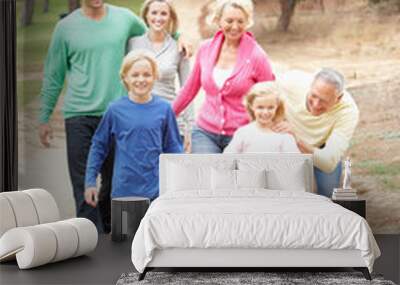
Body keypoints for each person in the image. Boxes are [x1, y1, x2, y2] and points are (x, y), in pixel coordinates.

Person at [38, 0, 191, 232]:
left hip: (115, 114)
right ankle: (90, 240)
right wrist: (44, 116)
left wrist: (178, 36)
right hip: (78, 114)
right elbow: (54, 73)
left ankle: (111, 235)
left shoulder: (124, 18)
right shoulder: (66, 27)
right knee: (83, 186)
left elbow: (155, 28)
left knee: (111, 186)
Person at [172, 0, 275, 153]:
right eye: (229, 20)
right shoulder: (205, 49)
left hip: (243, 133)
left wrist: (278, 125)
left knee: (235, 176)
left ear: (247, 22)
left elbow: (272, 93)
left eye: (241, 21)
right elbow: (189, 90)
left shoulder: (257, 55)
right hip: (205, 132)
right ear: (218, 20)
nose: (235, 26)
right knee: (206, 174)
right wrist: (167, 116)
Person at [84, 50, 182, 206]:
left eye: (147, 74)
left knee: (154, 231)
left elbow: (174, 149)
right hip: (123, 193)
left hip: (157, 193)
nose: (141, 79)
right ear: (125, 78)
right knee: (126, 231)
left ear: (155, 76)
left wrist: (180, 184)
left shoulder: (164, 109)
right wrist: (90, 181)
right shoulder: (115, 110)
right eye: (135, 75)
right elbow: (98, 146)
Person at [274, 68, 360, 197]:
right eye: (313, 96)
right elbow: (260, 87)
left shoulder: (348, 111)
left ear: (339, 98)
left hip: (321, 149)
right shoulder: (292, 82)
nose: (315, 104)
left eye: (324, 101)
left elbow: (328, 162)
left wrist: (296, 139)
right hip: (288, 146)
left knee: (328, 195)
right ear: (310, 86)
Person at [127, 0, 194, 152]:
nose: (158, 18)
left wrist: (190, 129)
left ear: (170, 17)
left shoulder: (179, 47)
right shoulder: (132, 44)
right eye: (154, 13)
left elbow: (188, 89)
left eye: (163, 13)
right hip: (139, 122)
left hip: (171, 121)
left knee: (171, 174)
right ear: (146, 15)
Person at [224, 81, 299, 153]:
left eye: (270, 107)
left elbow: (294, 162)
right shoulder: (243, 133)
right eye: (260, 107)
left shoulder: (283, 134)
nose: (265, 112)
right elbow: (227, 159)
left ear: (277, 107)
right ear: (251, 106)